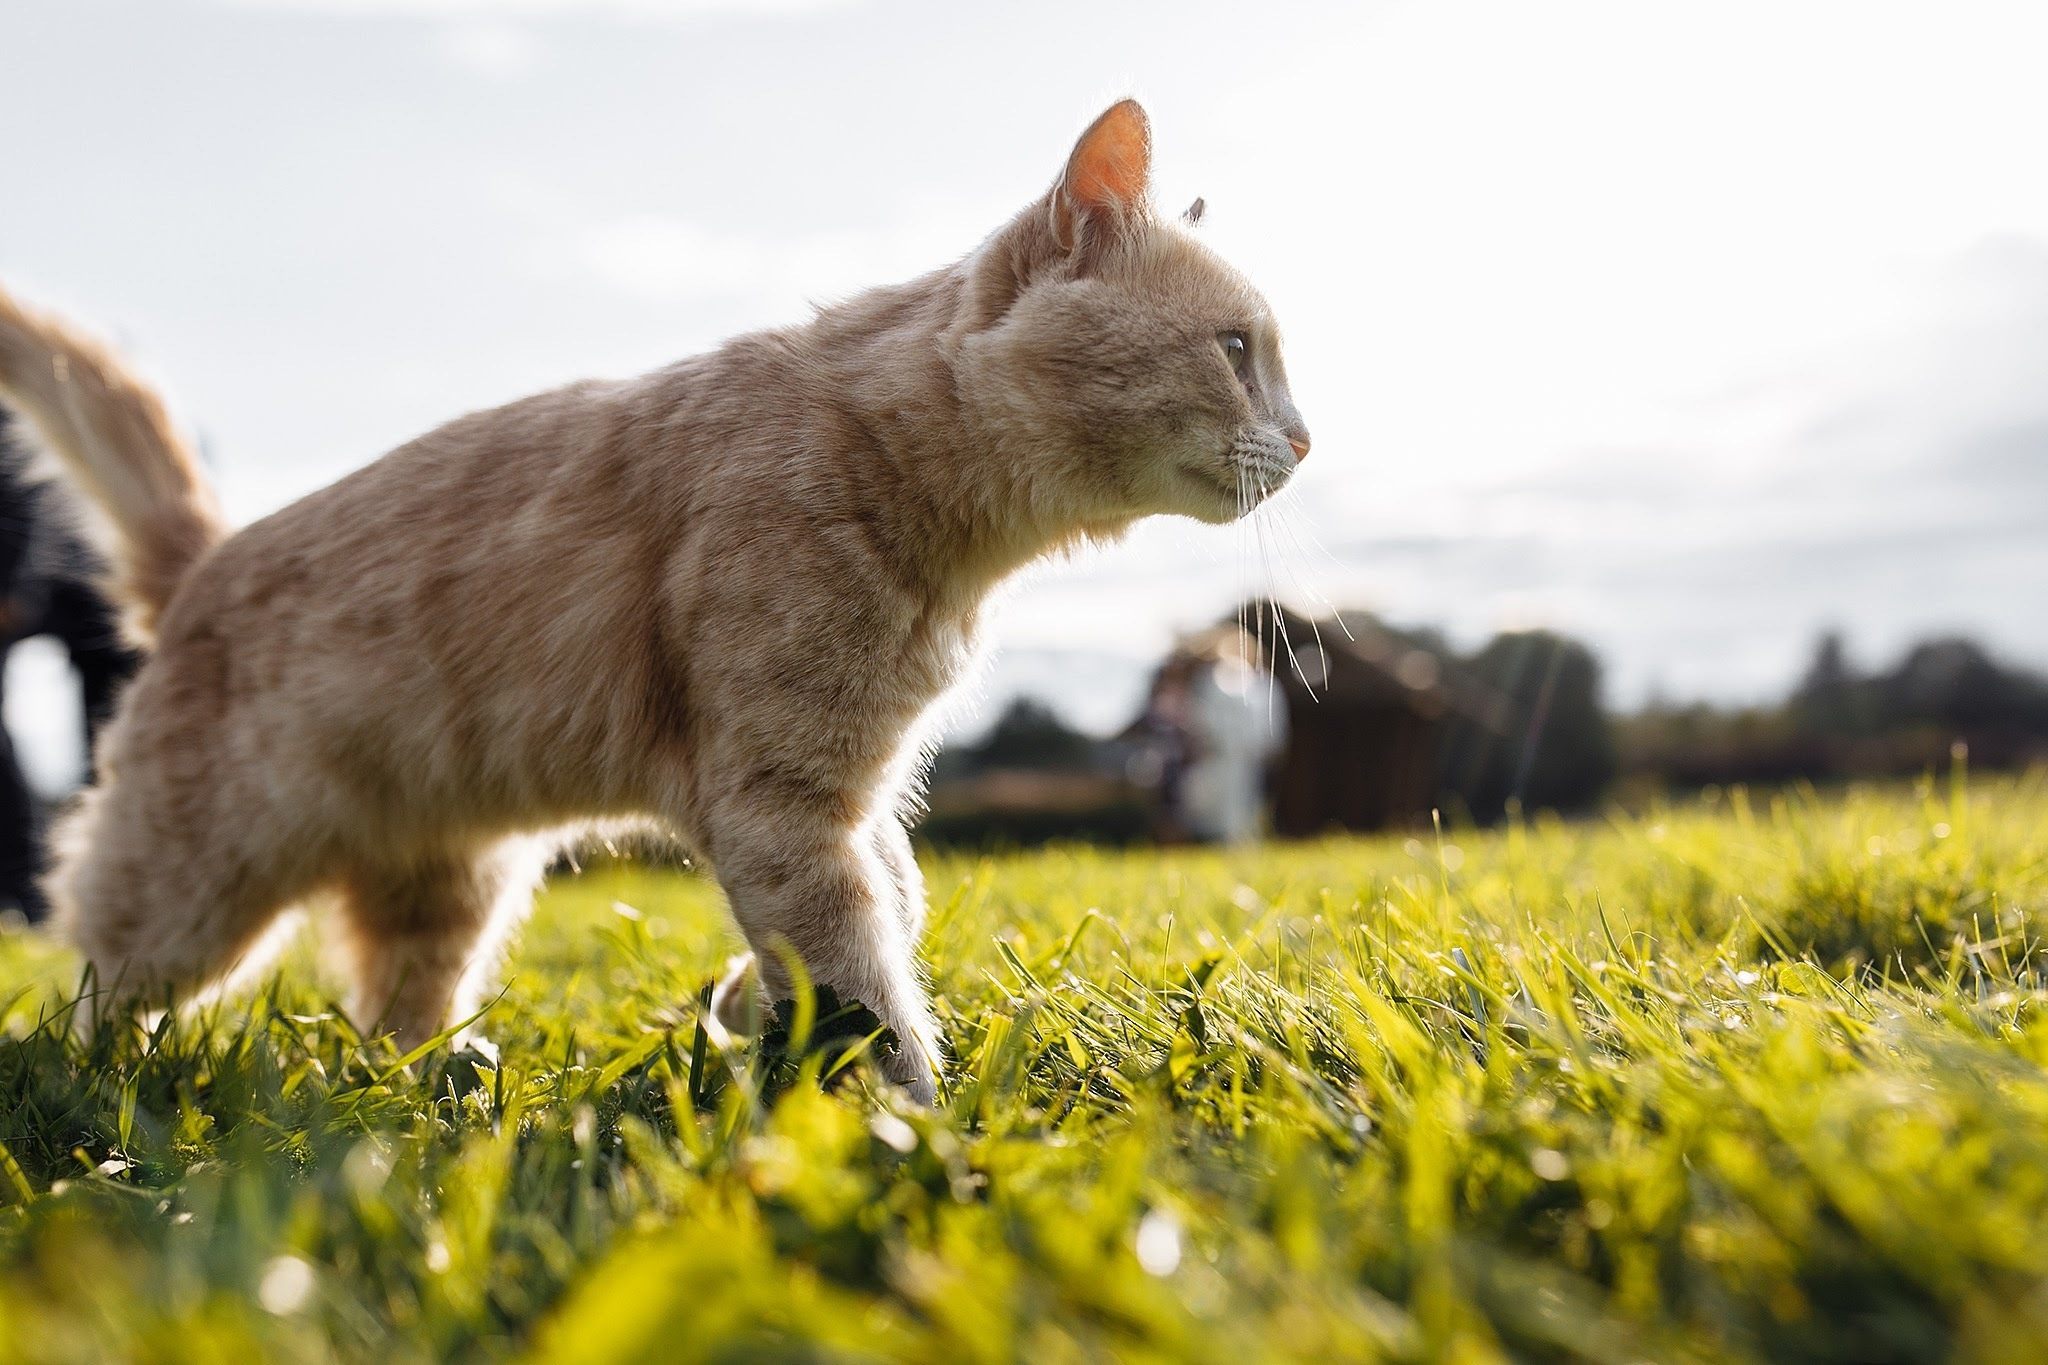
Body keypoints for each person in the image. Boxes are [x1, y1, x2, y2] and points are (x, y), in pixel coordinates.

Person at [0, 411, 140, 921]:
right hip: (34, 570)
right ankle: (24, 895)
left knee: (116, 736)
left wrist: (12, 587)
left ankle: (117, 884)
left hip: (95, 577)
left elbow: (23, 482)